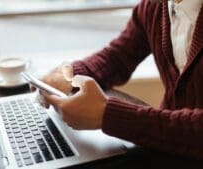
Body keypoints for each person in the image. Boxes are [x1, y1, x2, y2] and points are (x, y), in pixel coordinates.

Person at [38, 0, 203, 160]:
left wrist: (110, 116)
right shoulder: (154, 7)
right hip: (163, 149)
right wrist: (69, 76)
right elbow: (117, 57)